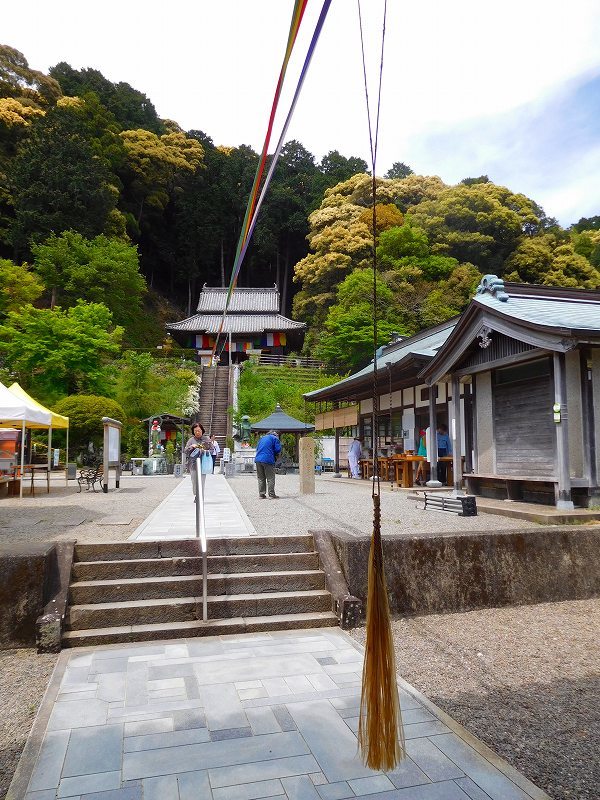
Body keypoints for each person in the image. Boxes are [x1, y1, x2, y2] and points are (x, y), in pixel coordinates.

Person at [184, 422, 211, 501]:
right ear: (193, 431)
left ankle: (200, 497)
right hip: (193, 464)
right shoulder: (191, 440)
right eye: (195, 431)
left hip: (203, 463)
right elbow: (185, 450)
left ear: (202, 430)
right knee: (194, 481)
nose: (197, 432)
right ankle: (196, 494)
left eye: (199, 430)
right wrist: (191, 447)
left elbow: (212, 450)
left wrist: (205, 450)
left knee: (202, 481)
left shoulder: (206, 439)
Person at [254, 429, 282, 498]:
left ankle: (261, 494)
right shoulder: (275, 438)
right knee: (270, 478)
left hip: (258, 459)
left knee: (261, 478)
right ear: (276, 434)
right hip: (268, 459)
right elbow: (278, 449)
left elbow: (257, 448)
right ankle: (271, 494)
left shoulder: (262, 438)